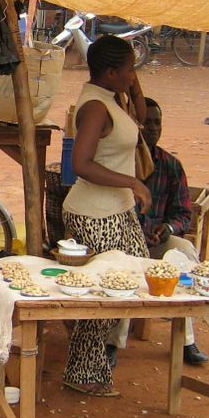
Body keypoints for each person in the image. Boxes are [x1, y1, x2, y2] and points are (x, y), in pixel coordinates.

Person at [60, 35, 151, 397]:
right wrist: (131, 180)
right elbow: (80, 164)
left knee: (129, 285)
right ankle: (82, 372)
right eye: (129, 69)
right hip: (94, 214)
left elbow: (140, 120)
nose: (133, 74)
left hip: (116, 208)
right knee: (108, 293)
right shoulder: (96, 107)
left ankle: (90, 364)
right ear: (111, 72)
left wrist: (133, 82)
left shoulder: (112, 98)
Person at [107, 97, 209, 366]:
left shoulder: (171, 165)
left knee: (185, 250)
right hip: (124, 242)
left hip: (156, 241)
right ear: (134, 128)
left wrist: (168, 228)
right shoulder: (120, 164)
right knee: (127, 267)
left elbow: (183, 214)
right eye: (146, 123)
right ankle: (112, 343)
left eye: (157, 123)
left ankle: (186, 340)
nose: (152, 129)